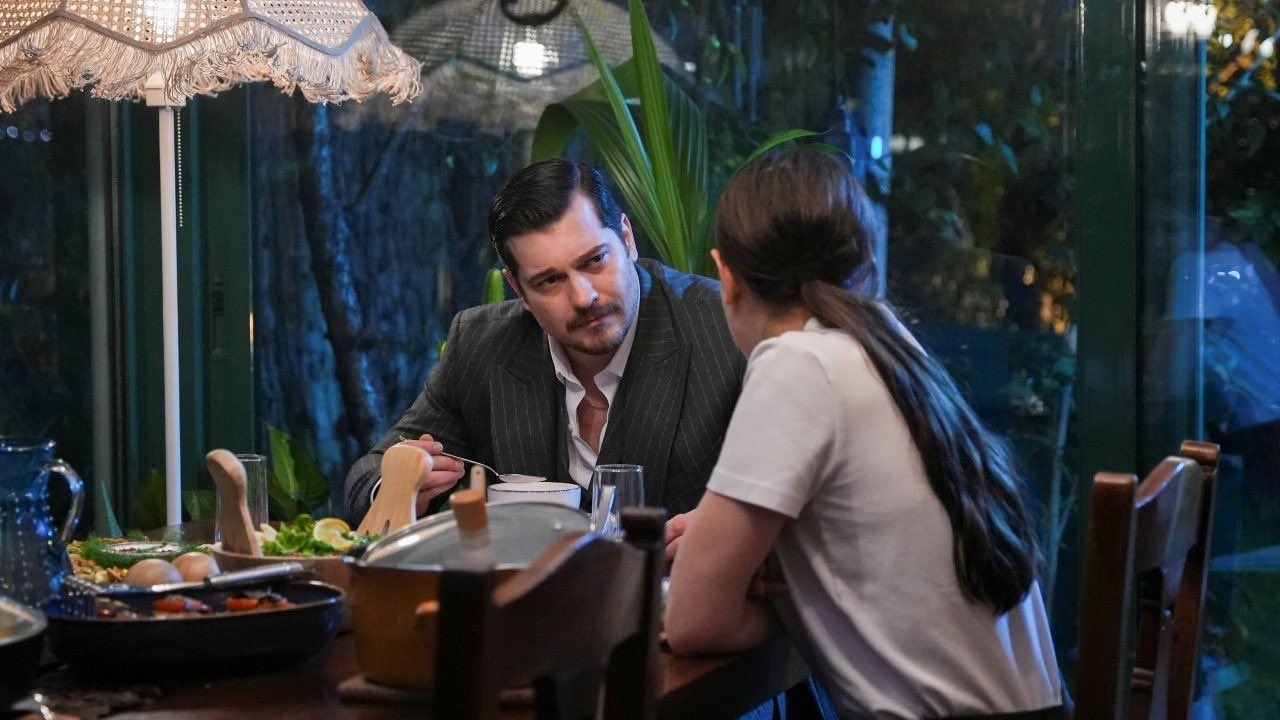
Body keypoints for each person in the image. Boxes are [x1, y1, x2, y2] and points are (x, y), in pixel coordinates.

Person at [663, 148, 1065, 718]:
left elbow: (691, 622)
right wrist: (783, 568)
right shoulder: (889, 344)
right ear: (862, 260)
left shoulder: (799, 363)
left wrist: (771, 589)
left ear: (726, 276)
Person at [344, 158, 746, 521]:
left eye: (595, 260)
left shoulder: (728, 327)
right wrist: (400, 490)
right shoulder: (482, 344)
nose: (584, 297)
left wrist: (724, 532)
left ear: (627, 239)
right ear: (519, 289)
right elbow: (369, 474)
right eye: (550, 280)